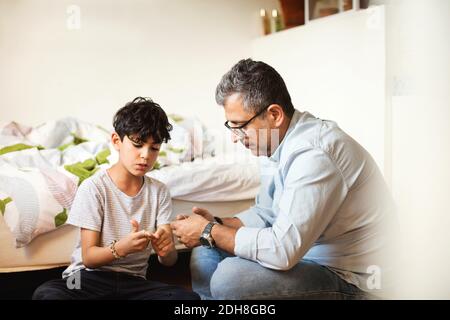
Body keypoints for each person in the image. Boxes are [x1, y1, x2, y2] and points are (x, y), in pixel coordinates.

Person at [171, 59, 396, 300]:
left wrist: (210, 230)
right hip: (305, 255)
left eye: (240, 126)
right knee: (205, 253)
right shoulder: (274, 142)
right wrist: (216, 223)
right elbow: (266, 213)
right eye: (231, 127)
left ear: (274, 115)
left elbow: (282, 250)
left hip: (350, 276)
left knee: (230, 278)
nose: (235, 138)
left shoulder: (315, 154)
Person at [33, 97, 199, 300]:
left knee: (187, 300)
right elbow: (89, 258)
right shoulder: (94, 188)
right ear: (116, 141)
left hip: (134, 282)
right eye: (137, 144)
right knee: (48, 294)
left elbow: (169, 261)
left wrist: (166, 250)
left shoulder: (159, 191)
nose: (145, 155)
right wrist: (122, 248)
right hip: (85, 278)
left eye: (154, 148)